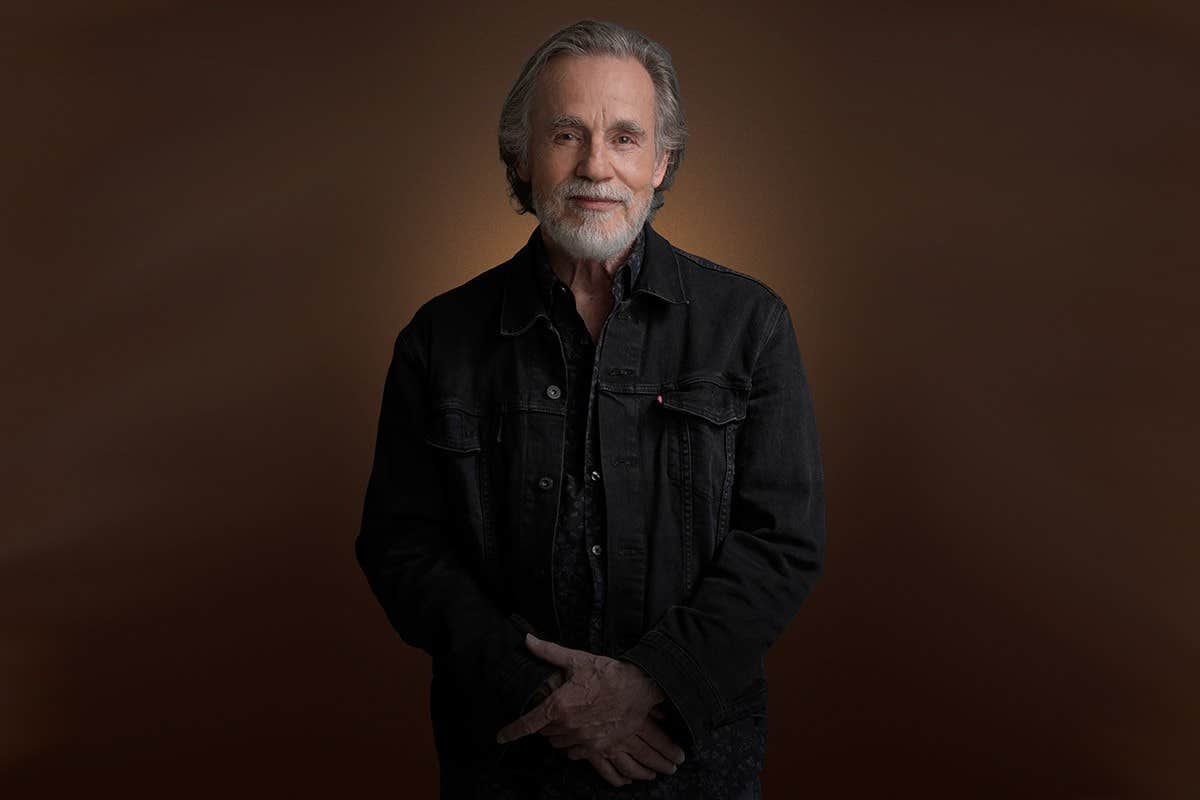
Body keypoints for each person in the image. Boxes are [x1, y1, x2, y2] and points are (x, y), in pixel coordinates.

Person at [355, 19, 825, 799]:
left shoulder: (751, 325)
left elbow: (783, 543)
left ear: (662, 161)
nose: (596, 167)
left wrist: (648, 687)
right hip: (508, 754)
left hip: (688, 756)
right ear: (520, 156)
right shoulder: (439, 339)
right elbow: (401, 546)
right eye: (566, 134)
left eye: (626, 138)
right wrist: (544, 692)